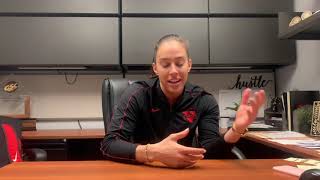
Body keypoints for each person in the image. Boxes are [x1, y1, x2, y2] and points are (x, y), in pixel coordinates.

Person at [101, 34, 266, 168]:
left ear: (189, 65)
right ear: (155, 68)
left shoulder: (204, 100)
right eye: (165, 65)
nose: (173, 71)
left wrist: (236, 130)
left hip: (185, 173)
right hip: (143, 170)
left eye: (179, 63)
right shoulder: (137, 94)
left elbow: (209, 153)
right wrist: (154, 152)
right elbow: (109, 144)